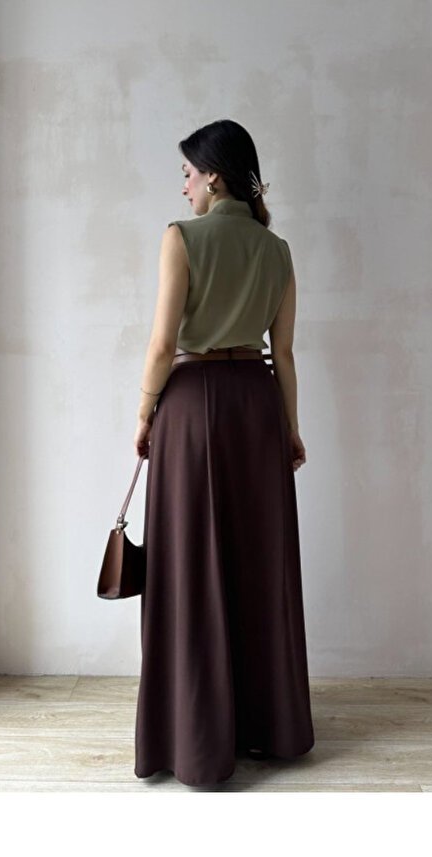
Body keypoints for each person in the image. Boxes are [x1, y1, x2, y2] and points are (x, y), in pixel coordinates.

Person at [132, 118, 314, 788]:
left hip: (191, 409)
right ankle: (268, 726)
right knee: (256, 564)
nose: (183, 186)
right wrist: (290, 428)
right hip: (257, 408)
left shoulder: (181, 238)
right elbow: (283, 353)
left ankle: (194, 735)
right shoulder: (276, 249)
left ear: (213, 174)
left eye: (187, 172)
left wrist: (144, 410)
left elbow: (162, 345)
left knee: (189, 564)